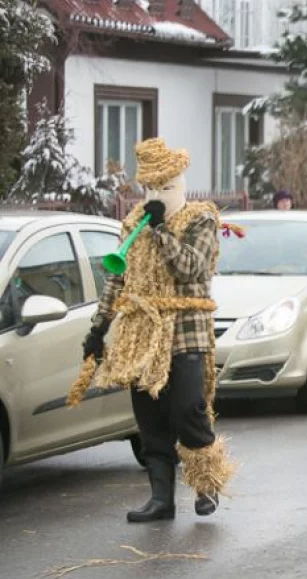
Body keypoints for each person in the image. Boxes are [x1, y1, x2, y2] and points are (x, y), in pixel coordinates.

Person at [74, 138, 235, 523]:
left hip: (187, 329)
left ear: (179, 184)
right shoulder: (133, 224)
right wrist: (98, 329)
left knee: (188, 409)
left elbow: (192, 268)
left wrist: (162, 230)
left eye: (165, 187)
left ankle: (206, 483)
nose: (156, 196)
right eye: (149, 188)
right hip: (142, 335)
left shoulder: (201, 219)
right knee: (150, 418)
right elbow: (117, 282)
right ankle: (161, 499)